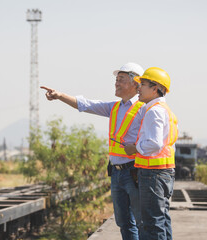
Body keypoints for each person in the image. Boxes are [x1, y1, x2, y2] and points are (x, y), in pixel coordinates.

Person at [41, 62, 145, 240]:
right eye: (116, 80)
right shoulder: (114, 107)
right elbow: (85, 104)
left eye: (121, 80)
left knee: (141, 222)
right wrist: (60, 95)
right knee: (124, 222)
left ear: (136, 84)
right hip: (117, 173)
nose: (116, 83)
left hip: (135, 172)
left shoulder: (145, 109)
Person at [124, 67, 178, 240]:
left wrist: (135, 148)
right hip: (163, 172)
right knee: (161, 220)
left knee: (151, 224)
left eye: (143, 84)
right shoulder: (164, 110)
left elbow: (154, 144)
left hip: (153, 174)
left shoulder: (153, 111)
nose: (138, 88)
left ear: (155, 88)